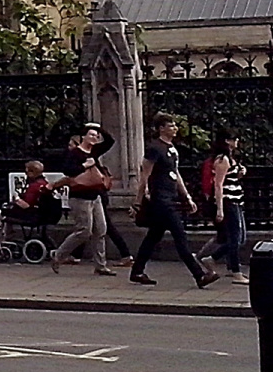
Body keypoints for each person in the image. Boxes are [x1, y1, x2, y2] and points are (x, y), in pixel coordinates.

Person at [129, 114, 218, 289]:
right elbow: (144, 175)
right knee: (180, 237)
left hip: (170, 197)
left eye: (174, 125)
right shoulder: (154, 149)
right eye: (170, 126)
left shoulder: (172, 149)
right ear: (161, 128)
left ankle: (137, 271)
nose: (175, 128)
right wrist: (138, 201)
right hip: (160, 200)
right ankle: (199, 275)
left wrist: (187, 197)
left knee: (153, 237)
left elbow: (176, 174)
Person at [49, 124, 116, 275]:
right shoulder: (75, 153)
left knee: (100, 229)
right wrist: (85, 165)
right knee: (84, 231)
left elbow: (110, 141)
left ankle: (101, 265)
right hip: (80, 197)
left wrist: (98, 127)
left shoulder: (95, 151)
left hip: (95, 195)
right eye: (91, 134)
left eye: (96, 136)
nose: (94, 137)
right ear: (83, 137)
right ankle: (58, 255)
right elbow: (67, 171)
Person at [196, 131, 249, 285]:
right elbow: (218, 185)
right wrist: (219, 209)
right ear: (227, 141)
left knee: (240, 237)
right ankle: (235, 271)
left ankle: (212, 259)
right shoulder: (222, 159)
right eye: (234, 139)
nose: (237, 141)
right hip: (228, 201)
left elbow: (229, 179)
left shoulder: (230, 158)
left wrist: (240, 173)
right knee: (234, 238)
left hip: (236, 200)